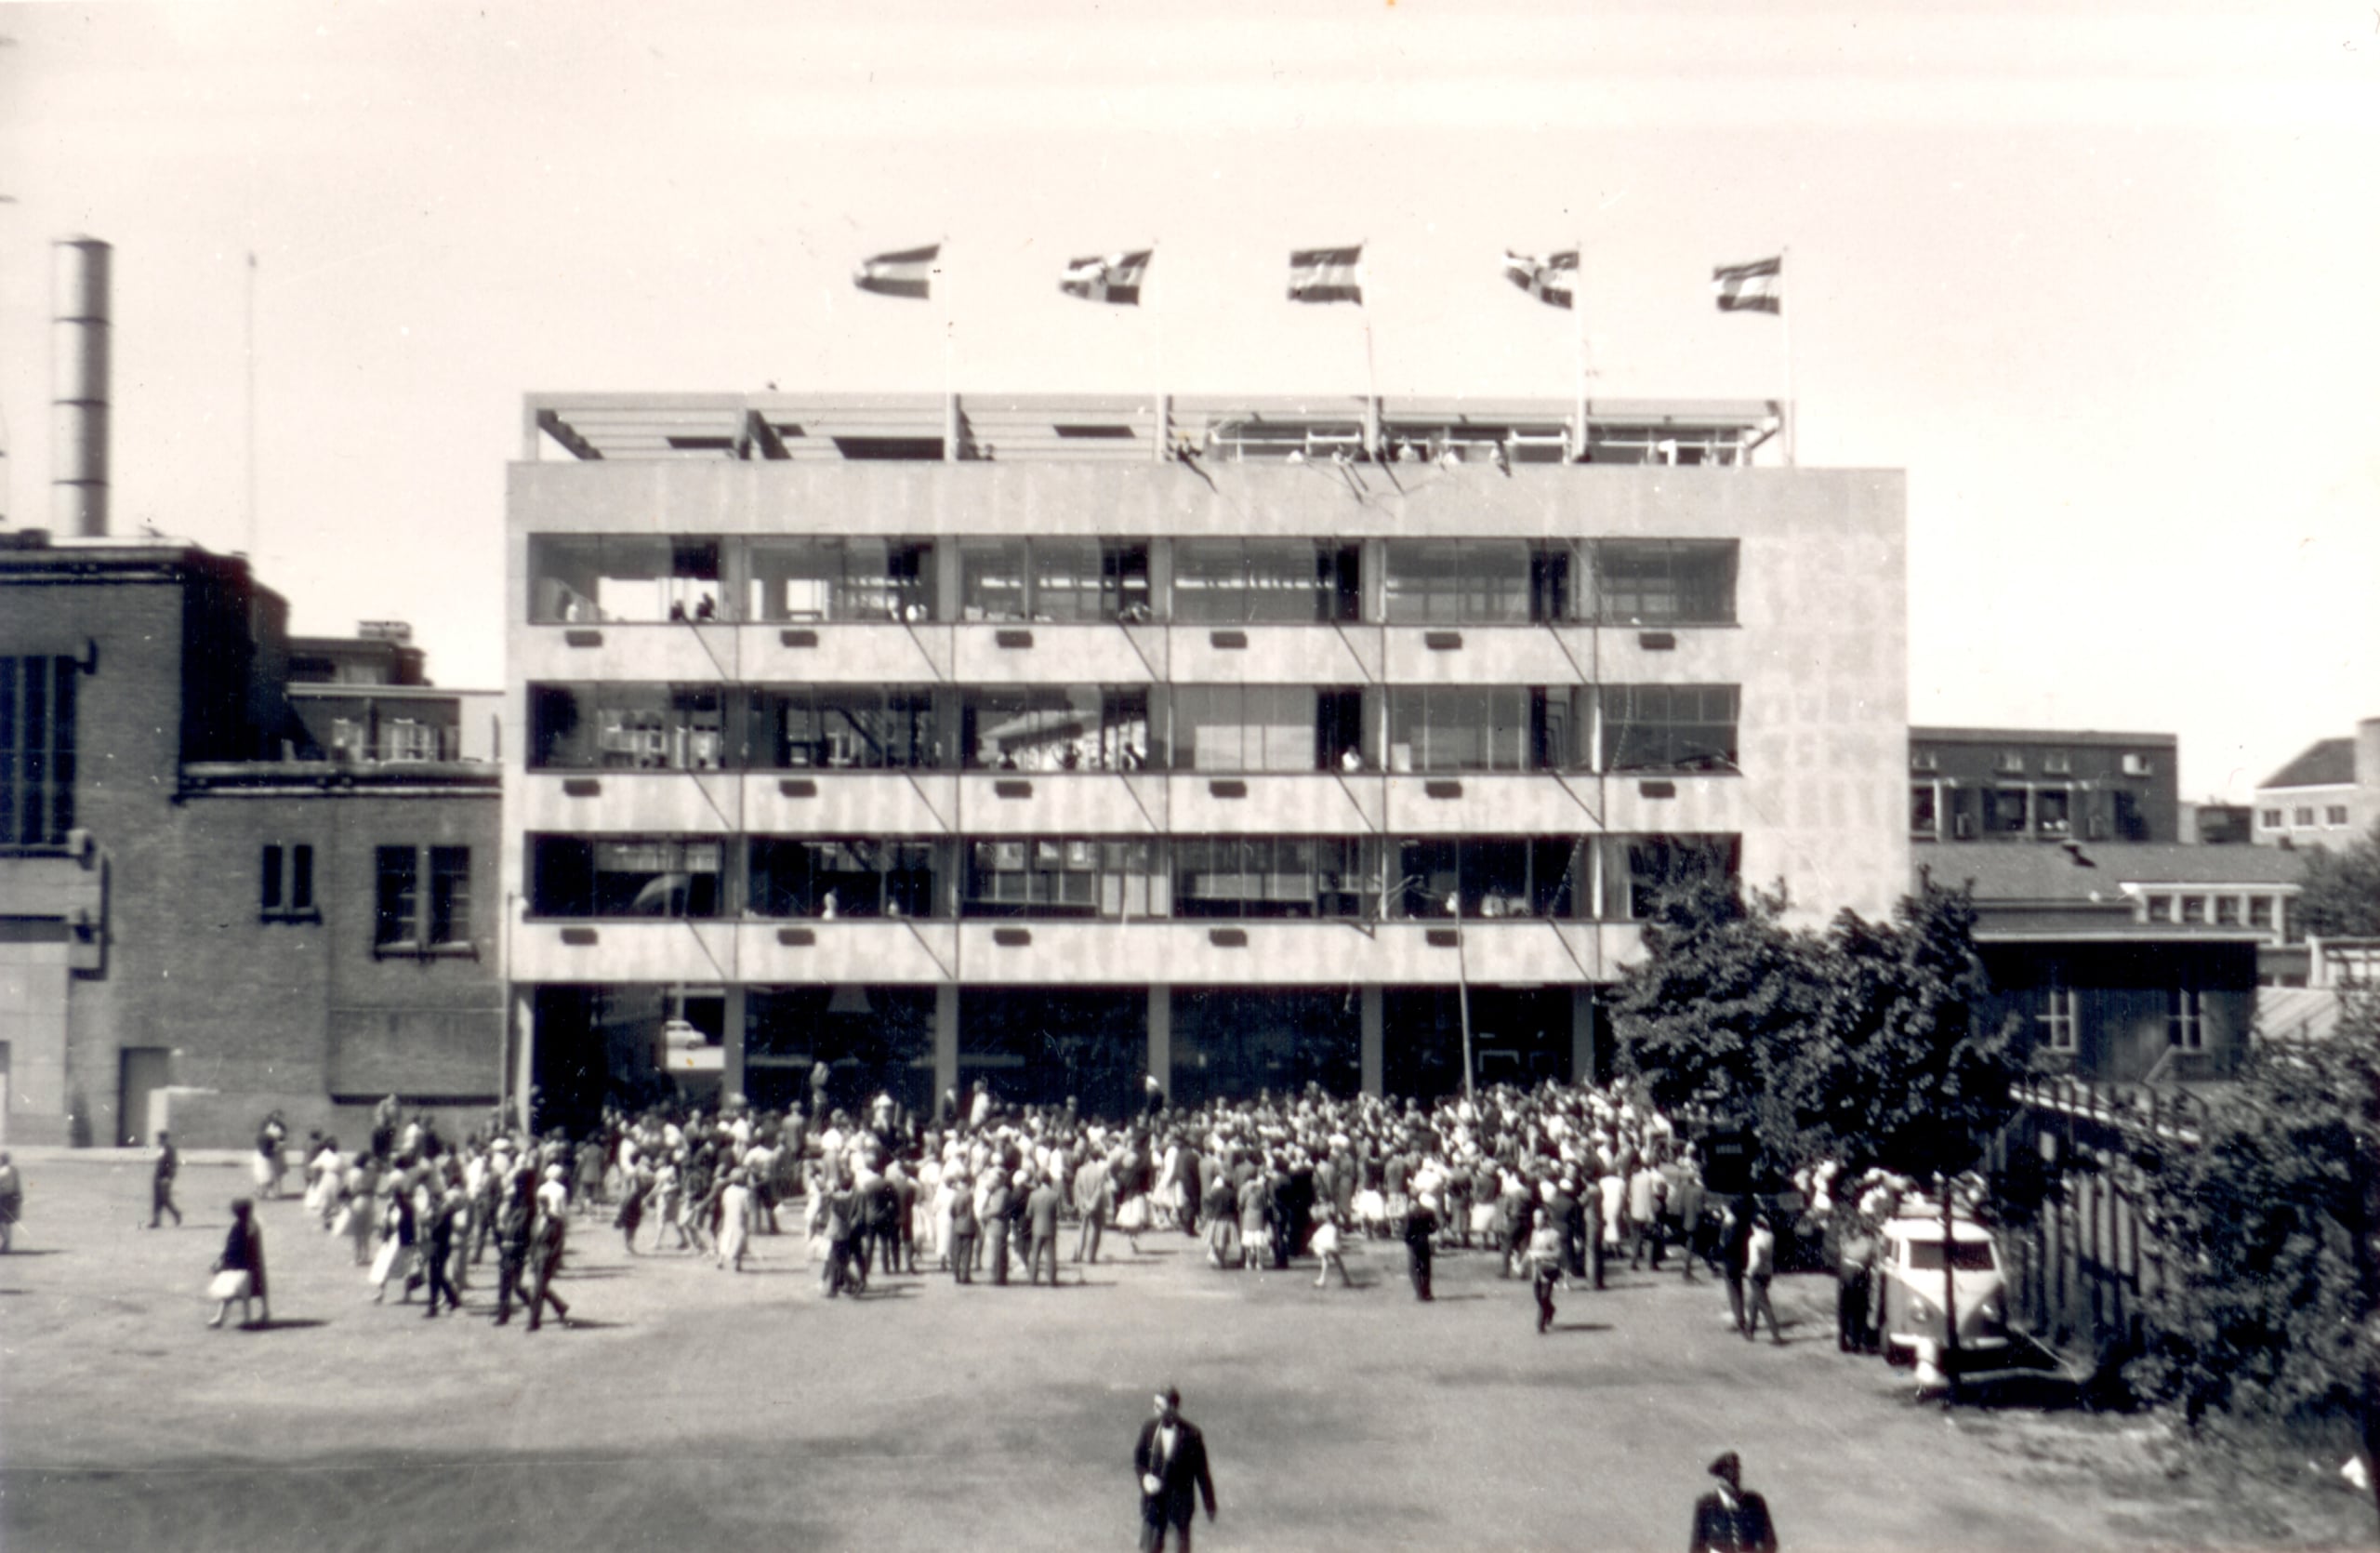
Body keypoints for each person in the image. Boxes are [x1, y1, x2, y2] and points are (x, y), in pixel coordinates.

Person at [1131, 1387, 1217, 1553]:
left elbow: (1202, 1472)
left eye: (1159, 1406)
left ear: (1173, 1408)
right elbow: (1139, 1460)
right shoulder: (1149, 1428)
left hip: (1179, 1508)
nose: (1155, 1410)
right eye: (1154, 1405)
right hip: (1153, 1505)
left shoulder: (1192, 1435)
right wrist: (1144, 1478)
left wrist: (1210, 1505)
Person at [1688, 1451, 1778, 1553]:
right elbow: (1697, 1548)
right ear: (1719, 1479)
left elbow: (1770, 1542)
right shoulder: (1706, 1505)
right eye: (1728, 1477)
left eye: (1736, 1474)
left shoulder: (1755, 1503)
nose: (1734, 1480)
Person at [207, 1198, 269, 1329]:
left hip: (237, 1268)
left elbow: (231, 1248)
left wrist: (220, 1263)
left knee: (229, 1294)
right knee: (240, 1294)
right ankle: (246, 1318)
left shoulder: (238, 1227)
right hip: (249, 1266)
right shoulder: (253, 1225)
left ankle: (229, 1318)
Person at [1744, 1213, 1783, 1345]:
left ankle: (1776, 1335)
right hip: (1767, 1272)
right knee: (1754, 1300)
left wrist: (1749, 1272)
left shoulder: (1754, 1240)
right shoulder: (1770, 1237)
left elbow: (1756, 1260)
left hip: (1756, 1274)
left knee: (1764, 1304)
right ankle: (1749, 1329)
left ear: (1755, 1225)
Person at [1527, 1212, 1566, 1334]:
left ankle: (1540, 1325)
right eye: (1534, 1218)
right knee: (1537, 1296)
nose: (1536, 1221)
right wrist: (1521, 1264)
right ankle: (1551, 1309)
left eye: (1539, 1218)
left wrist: (1541, 1255)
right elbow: (1531, 1251)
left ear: (1546, 1220)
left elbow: (1558, 1254)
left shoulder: (1554, 1235)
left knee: (1544, 1297)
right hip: (1536, 1270)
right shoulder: (1534, 1233)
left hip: (1549, 1269)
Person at [1025, 1170, 1064, 1286]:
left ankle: (1033, 1279)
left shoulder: (1033, 1195)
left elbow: (1029, 1214)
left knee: (1035, 1255)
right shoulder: (1055, 1195)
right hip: (1050, 1228)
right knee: (1051, 1256)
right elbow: (1059, 1214)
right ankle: (1052, 1279)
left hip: (1037, 1227)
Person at [1403, 1191, 1438, 1301]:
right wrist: (1428, 1231)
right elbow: (1435, 1226)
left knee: (1414, 1269)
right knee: (1426, 1268)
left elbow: (1407, 1230)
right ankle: (1427, 1292)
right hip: (1424, 1240)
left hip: (1413, 1242)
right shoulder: (1428, 1211)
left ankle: (1419, 1294)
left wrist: (1407, 1240)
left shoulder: (1410, 1213)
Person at [1310, 1208, 1353, 1290]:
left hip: (1328, 1246)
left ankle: (1343, 1279)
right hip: (1330, 1246)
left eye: (1326, 1217)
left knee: (1330, 1260)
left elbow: (1323, 1237)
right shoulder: (1330, 1227)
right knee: (1333, 1261)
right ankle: (1344, 1279)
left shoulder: (1329, 1228)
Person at [149, 1130, 182, 1228]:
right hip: (158, 1177)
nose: (158, 1140)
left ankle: (177, 1214)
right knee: (157, 1200)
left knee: (165, 1199)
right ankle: (156, 1221)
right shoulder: (161, 1149)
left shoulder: (170, 1150)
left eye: (160, 1138)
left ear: (165, 1139)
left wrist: (169, 1178)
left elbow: (172, 1165)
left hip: (164, 1178)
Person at [0, 1151, 20, 1253]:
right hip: (12, 1196)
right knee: (7, 1222)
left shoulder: (2, 1172)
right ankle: (7, 1244)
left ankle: (6, 1244)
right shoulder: (14, 1170)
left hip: (3, 1198)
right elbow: (17, 1184)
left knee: (2, 1221)